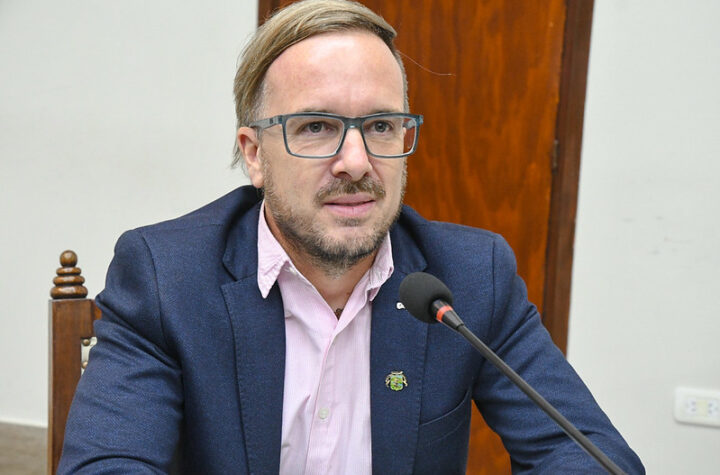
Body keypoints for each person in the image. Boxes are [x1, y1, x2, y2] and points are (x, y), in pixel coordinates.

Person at [59, 0, 644, 473]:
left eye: (381, 125)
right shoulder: (167, 276)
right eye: (317, 127)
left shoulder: (471, 277)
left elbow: (589, 455)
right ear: (254, 154)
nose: (357, 162)